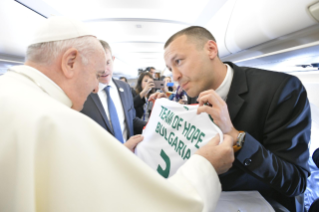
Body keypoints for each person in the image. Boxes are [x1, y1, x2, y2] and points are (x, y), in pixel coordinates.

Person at [0, 17, 235, 212]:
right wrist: (204, 165)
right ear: (70, 62)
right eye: (95, 74)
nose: (95, 88)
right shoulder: (56, 121)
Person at [151, 26, 311, 212]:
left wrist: (236, 137)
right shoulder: (195, 93)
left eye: (179, 61)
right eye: (171, 68)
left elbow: (296, 181)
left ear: (211, 49)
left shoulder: (280, 90)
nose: (175, 76)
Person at [81, 40, 146, 143]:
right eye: (98, 64)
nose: (104, 70)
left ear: (113, 59)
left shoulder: (125, 88)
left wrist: (149, 125)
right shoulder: (82, 94)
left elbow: (131, 119)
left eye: (107, 62)